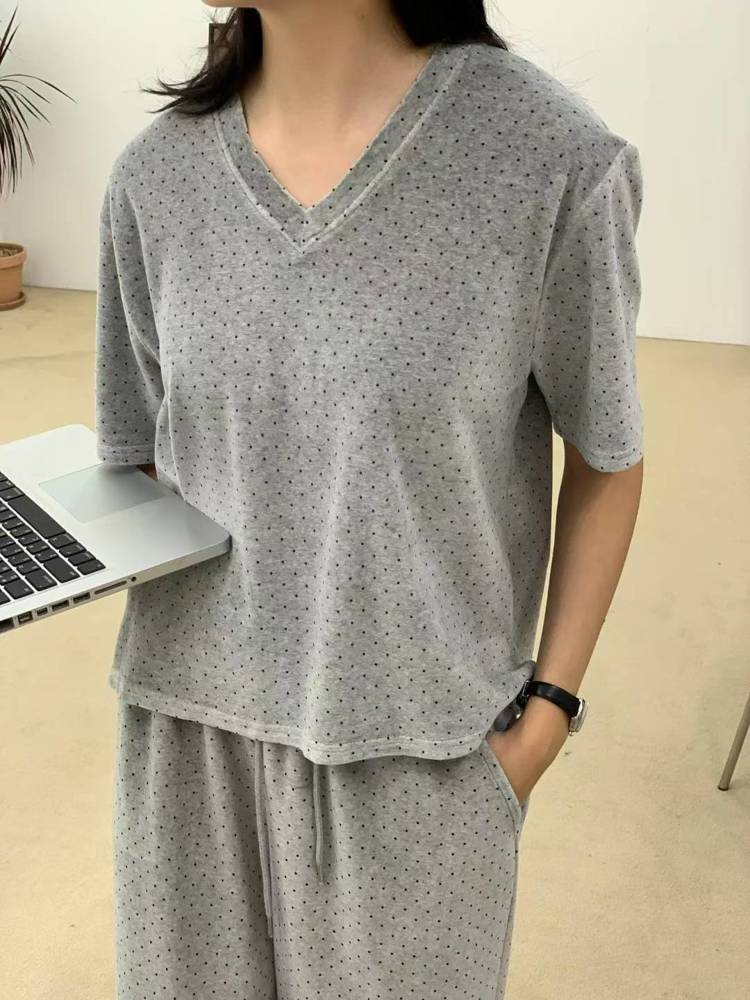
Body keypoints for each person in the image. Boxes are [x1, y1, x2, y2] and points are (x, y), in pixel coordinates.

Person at [94, 2, 645, 997]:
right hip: (186, 732)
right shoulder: (153, 177)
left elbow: (606, 453)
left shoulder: (550, 159)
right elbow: (136, 455)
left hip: (415, 750)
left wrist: (547, 718)